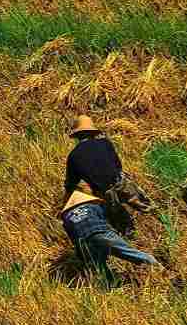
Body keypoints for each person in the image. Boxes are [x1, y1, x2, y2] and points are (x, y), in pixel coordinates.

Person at [59, 115, 160, 280]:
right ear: (92, 132)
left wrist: (66, 202)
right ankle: (162, 221)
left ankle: (131, 239)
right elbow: (118, 164)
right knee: (146, 205)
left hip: (105, 191)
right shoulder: (105, 143)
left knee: (119, 218)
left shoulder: (73, 156)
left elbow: (70, 184)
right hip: (121, 182)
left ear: (77, 136)